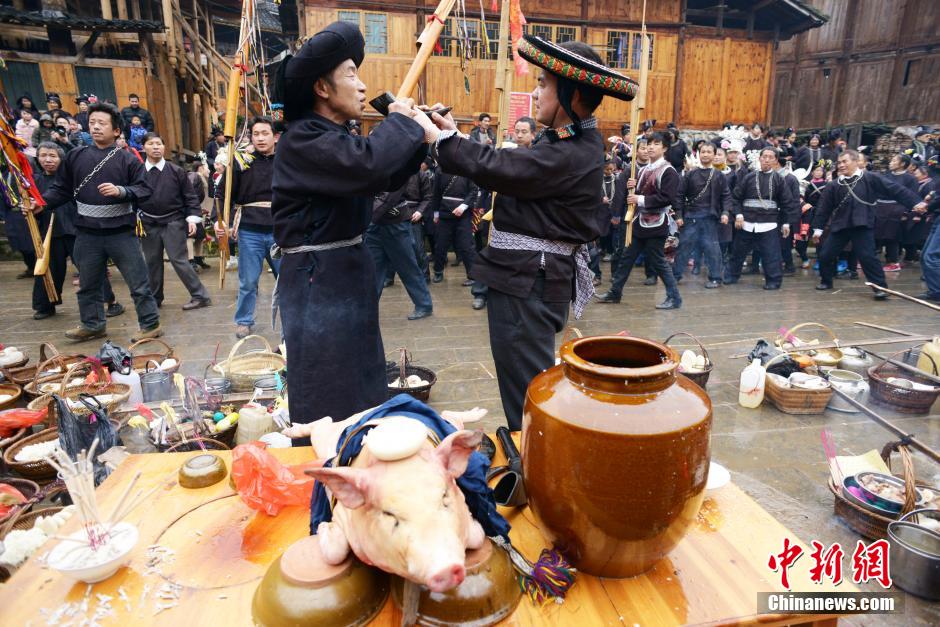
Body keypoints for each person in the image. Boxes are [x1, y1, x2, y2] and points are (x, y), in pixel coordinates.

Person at [420, 35, 635, 429]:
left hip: (528, 280)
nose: (534, 94)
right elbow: (511, 163)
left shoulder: (573, 150)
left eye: (542, 84)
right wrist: (454, 135)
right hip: (527, 277)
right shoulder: (567, 143)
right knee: (526, 383)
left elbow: (508, 169)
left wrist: (442, 141)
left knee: (528, 392)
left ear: (571, 94)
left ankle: (537, 466)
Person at [270, 20, 429, 432]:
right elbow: (369, 164)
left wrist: (418, 138)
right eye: (351, 74)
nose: (362, 87)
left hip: (344, 274)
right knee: (330, 383)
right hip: (317, 282)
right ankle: (331, 463)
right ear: (322, 88)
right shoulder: (304, 139)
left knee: (360, 373)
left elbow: (382, 175)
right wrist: (400, 122)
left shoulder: (333, 136)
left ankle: (360, 443)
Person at [40, 102, 161, 341]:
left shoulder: (128, 160)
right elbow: (61, 189)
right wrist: (40, 203)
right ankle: (92, 323)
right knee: (88, 283)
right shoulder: (76, 156)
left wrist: (122, 192)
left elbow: (145, 189)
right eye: (92, 122)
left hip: (121, 232)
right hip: (87, 232)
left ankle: (150, 324)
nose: (95, 127)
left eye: (102, 123)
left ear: (116, 130)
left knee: (138, 282)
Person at [812, 150, 927, 300]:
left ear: (855, 161)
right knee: (826, 254)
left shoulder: (870, 178)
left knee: (867, 257)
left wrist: (916, 202)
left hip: (862, 224)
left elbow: (895, 189)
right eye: (839, 162)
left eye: (844, 161)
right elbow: (824, 208)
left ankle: (880, 288)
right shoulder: (834, 185)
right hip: (840, 225)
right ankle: (826, 281)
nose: (841, 165)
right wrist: (818, 230)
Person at [598, 131, 682, 308]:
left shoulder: (669, 171)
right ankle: (615, 292)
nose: (651, 147)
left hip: (657, 223)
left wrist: (639, 199)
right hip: (640, 222)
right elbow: (641, 192)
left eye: (656, 144)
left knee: (658, 261)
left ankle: (674, 298)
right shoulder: (643, 170)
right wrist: (633, 188)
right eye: (649, 144)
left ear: (665, 148)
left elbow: (667, 198)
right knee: (626, 258)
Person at [214, 117, 279, 338]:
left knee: (288, 279)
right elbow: (223, 193)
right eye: (256, 134)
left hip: (280, 231)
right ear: (250, 136)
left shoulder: (286, 162)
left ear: (275, 136)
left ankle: (294, 318)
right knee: (248, 280)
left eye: (265, 133)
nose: (260, 138)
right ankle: (244, 320)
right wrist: (219, 220)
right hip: (249, 229)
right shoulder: (240, 162)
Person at [137, 132, 212, 311]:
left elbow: (190, 197)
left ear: (164, 148)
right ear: (143, 148)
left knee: (179, 260)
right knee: (152, 261)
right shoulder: (137, 171)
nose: (156, 147)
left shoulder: (176, 171)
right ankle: (155, 298)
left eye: (159, 144)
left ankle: (200, 296)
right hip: (148, 223)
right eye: (151, 144)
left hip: (173, 221)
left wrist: (192, 219)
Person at [722, 147, 799, 290]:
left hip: (769, 224)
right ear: (759, 158)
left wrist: (786, 223)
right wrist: (738, 215)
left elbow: (788, 203)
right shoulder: (749, 178)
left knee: (771, 255)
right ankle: (731, 276)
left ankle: (773, 281)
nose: (767, 160)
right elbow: (736, 198)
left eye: (771, 157)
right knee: (737, 253)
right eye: (764, 156)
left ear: (776, 160)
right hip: (746, 223)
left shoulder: (779, 180)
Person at [367, 170, 434, 320]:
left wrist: (365, 217)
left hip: (394, 223)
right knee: (373, 269)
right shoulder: (374, 161)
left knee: (407, 266)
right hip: (375, 224)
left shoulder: (398, 165)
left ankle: (424, 304)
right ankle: (368, 307)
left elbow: (389, 197)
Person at [29, 142, 78, 319]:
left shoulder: (71, 178)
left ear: (61, 158)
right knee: (49, 269)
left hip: (74, 228)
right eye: (43, 156)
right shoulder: (33, 180)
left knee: (89, 268)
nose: (48, 160)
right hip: (48, 230)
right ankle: (45, 305)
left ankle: (109, 301)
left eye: (53, 156)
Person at [672, 141, 730, 288]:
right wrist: (678, 215)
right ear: (699, 154)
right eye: (703, 151)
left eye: (709, 152)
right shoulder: (690, 175)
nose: (705, 154)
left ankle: (716, 278)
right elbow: (679, 195)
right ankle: (675, 276)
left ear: (714, 154)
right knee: (683, 247)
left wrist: (725, 212)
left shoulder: (719, 176)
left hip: (710, 218)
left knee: (712, 249)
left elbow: (726, 196)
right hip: (691, 217)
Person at [429, 168, 478, 285]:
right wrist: (436, 213)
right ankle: (438, 272)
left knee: (467, 246)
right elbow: (436, 193)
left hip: (464, 215)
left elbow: (473, 191)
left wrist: (463, 206)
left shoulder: (468, 169)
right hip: (444, 213)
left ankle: (472, 276)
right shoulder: (440, 170)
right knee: (440, 244)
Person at [875, 153, 920, 272]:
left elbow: (912, 196)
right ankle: (872, 259)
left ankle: (893, 261)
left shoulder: (910, 179)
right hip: (880, 208)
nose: (891, 162)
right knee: (876, 235)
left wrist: (906, 213)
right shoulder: (886, 176)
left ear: (903, 164)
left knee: (892, 236)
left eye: (894, 161)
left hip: (897, 210)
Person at [774, 149, 804, 275]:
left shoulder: (790, 179)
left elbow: (795, 201)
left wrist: (788, 220)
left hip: (786, 214)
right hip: (774, 214)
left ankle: (789, 267)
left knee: (785, 243)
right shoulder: (773, 176)